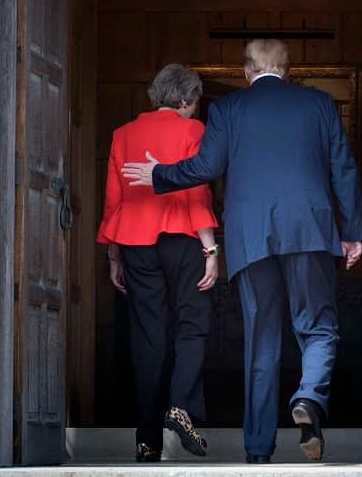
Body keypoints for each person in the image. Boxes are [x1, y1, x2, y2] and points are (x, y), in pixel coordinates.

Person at [122, 39, 362, 464]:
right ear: (287, 71)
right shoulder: (320, 105)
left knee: (261, 342)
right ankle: (309, 396)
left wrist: (159, 174)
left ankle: (257, 449)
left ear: (247, 71)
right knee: (318, 328)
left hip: (251, 237)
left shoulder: (227, 109)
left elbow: (206, 168)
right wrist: (353, 232)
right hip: (309, 231)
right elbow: (343, 169)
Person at [97, 63, 221, 463]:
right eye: (195, 101)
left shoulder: (123, 134)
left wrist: (113, 253)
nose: (195, 108)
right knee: (192, 324)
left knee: (147, 336)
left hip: (135, 241)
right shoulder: (193, 131)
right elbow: (197, 191)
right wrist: (211, 249)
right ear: (185, 99)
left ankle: (147, 439)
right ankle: (181, 406)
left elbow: (113, 197)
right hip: (183, 238)